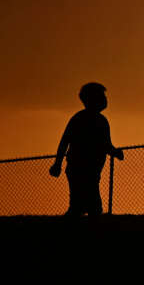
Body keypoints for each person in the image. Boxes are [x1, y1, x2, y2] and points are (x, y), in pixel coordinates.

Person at [49, 82, 123, 216]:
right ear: (92, 99)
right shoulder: (84, 120)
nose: (105, 99)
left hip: (88, 169)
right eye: (102, 96)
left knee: (81, 204)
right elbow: (65, 141)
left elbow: (105, 145)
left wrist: (115, 152)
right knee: (88, 205)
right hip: (80, 168)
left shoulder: (96, 120)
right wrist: (57, 163)